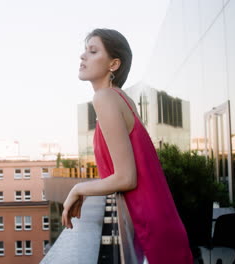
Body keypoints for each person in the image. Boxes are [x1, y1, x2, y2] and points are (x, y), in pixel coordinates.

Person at [61, 28, 193, 263]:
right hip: (159, 220)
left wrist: (77, 188)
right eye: (84, 51)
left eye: (92, 51)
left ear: (113, 64)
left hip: (151, 226)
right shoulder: (122, 98)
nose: (83, 56)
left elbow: (125, 178)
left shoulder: (104, 98)